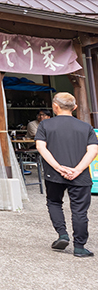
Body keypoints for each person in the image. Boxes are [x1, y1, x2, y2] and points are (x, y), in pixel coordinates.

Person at [34, 92, 97, 257]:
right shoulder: (86, 127)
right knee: (79, 211)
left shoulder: (45, 125)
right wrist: (77, 169)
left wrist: (58, 167)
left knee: (54, 202)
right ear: (75, 107)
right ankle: (79, 247)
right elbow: (93, 150)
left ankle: (62, 234)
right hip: (81, 176)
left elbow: (41, 147)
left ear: (55, 107)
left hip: (53, 174)